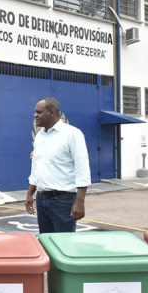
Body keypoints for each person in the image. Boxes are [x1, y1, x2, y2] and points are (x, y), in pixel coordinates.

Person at [25, 97, 90, 233]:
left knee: (64, 245)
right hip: (42, 199)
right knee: (46, 242)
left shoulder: (72, 134)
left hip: (63, 201)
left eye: (39, 112)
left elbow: (82, 169)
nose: (35, 115)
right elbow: (36, 168)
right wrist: (30, 194)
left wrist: (80, 202)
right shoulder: (40, 136)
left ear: (52, 112)